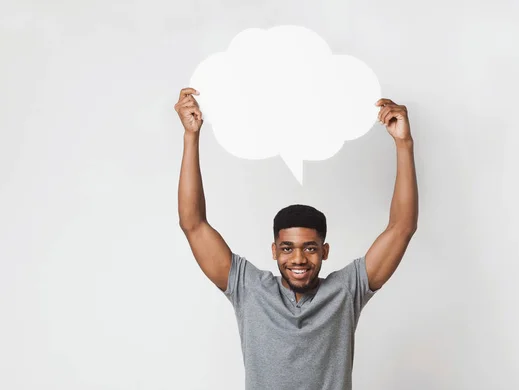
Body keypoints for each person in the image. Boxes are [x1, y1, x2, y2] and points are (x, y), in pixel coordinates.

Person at [175, 87, 419, 390]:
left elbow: (402, 227)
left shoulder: (345, 291)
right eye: (288, 249)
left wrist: (404, 143)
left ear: (325, 251)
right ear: (275, 250)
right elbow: (193, 224)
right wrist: (191, 136)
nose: (299, 259)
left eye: (310, 248)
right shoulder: (249, 290)